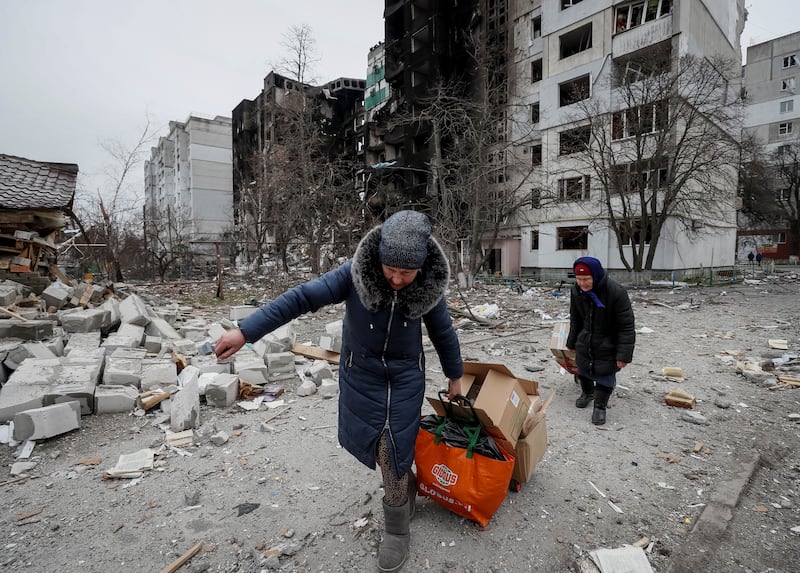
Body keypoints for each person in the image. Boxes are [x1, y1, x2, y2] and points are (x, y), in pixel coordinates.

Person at [215, 210, 464, 572]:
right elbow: (301, 298)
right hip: (361, 373)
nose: (396, 279)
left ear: (421, 268)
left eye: (405, 273)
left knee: (392, 444)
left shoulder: (428, 288)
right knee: (384, 449)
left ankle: (396, 529)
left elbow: (443, 333)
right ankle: (405, 485)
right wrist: (246, 331)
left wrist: (455, 375)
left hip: (406, 375)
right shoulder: (354, 273)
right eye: (390, 270)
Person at [566, 257, 635, 426]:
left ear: (595, 276)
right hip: (586, 338)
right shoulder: (576, 291)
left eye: (586, 279)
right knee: (583, 369)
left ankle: (600, 406)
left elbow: (626, 326)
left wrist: (623, 355)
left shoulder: (615, 292)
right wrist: (571, 342)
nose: (582, 283)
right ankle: (587, 393)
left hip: (608, 340)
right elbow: (575, 318)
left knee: (605, 374)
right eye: (579, 279)